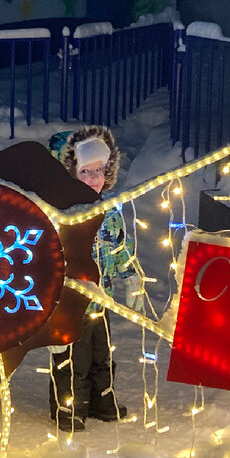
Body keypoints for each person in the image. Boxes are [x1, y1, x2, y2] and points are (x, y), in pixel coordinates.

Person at [47, 126, 146, 432]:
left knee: (101, 355)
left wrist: (130, 276)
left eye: (99, 170)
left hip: (99, 300)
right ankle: (70, 407)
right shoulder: (57, 215)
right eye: (84, 170)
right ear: (67, 172)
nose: (93, 178)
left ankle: (102, 401)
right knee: (71, 360)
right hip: (68, 304)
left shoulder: (109, 211)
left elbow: (119, 247)